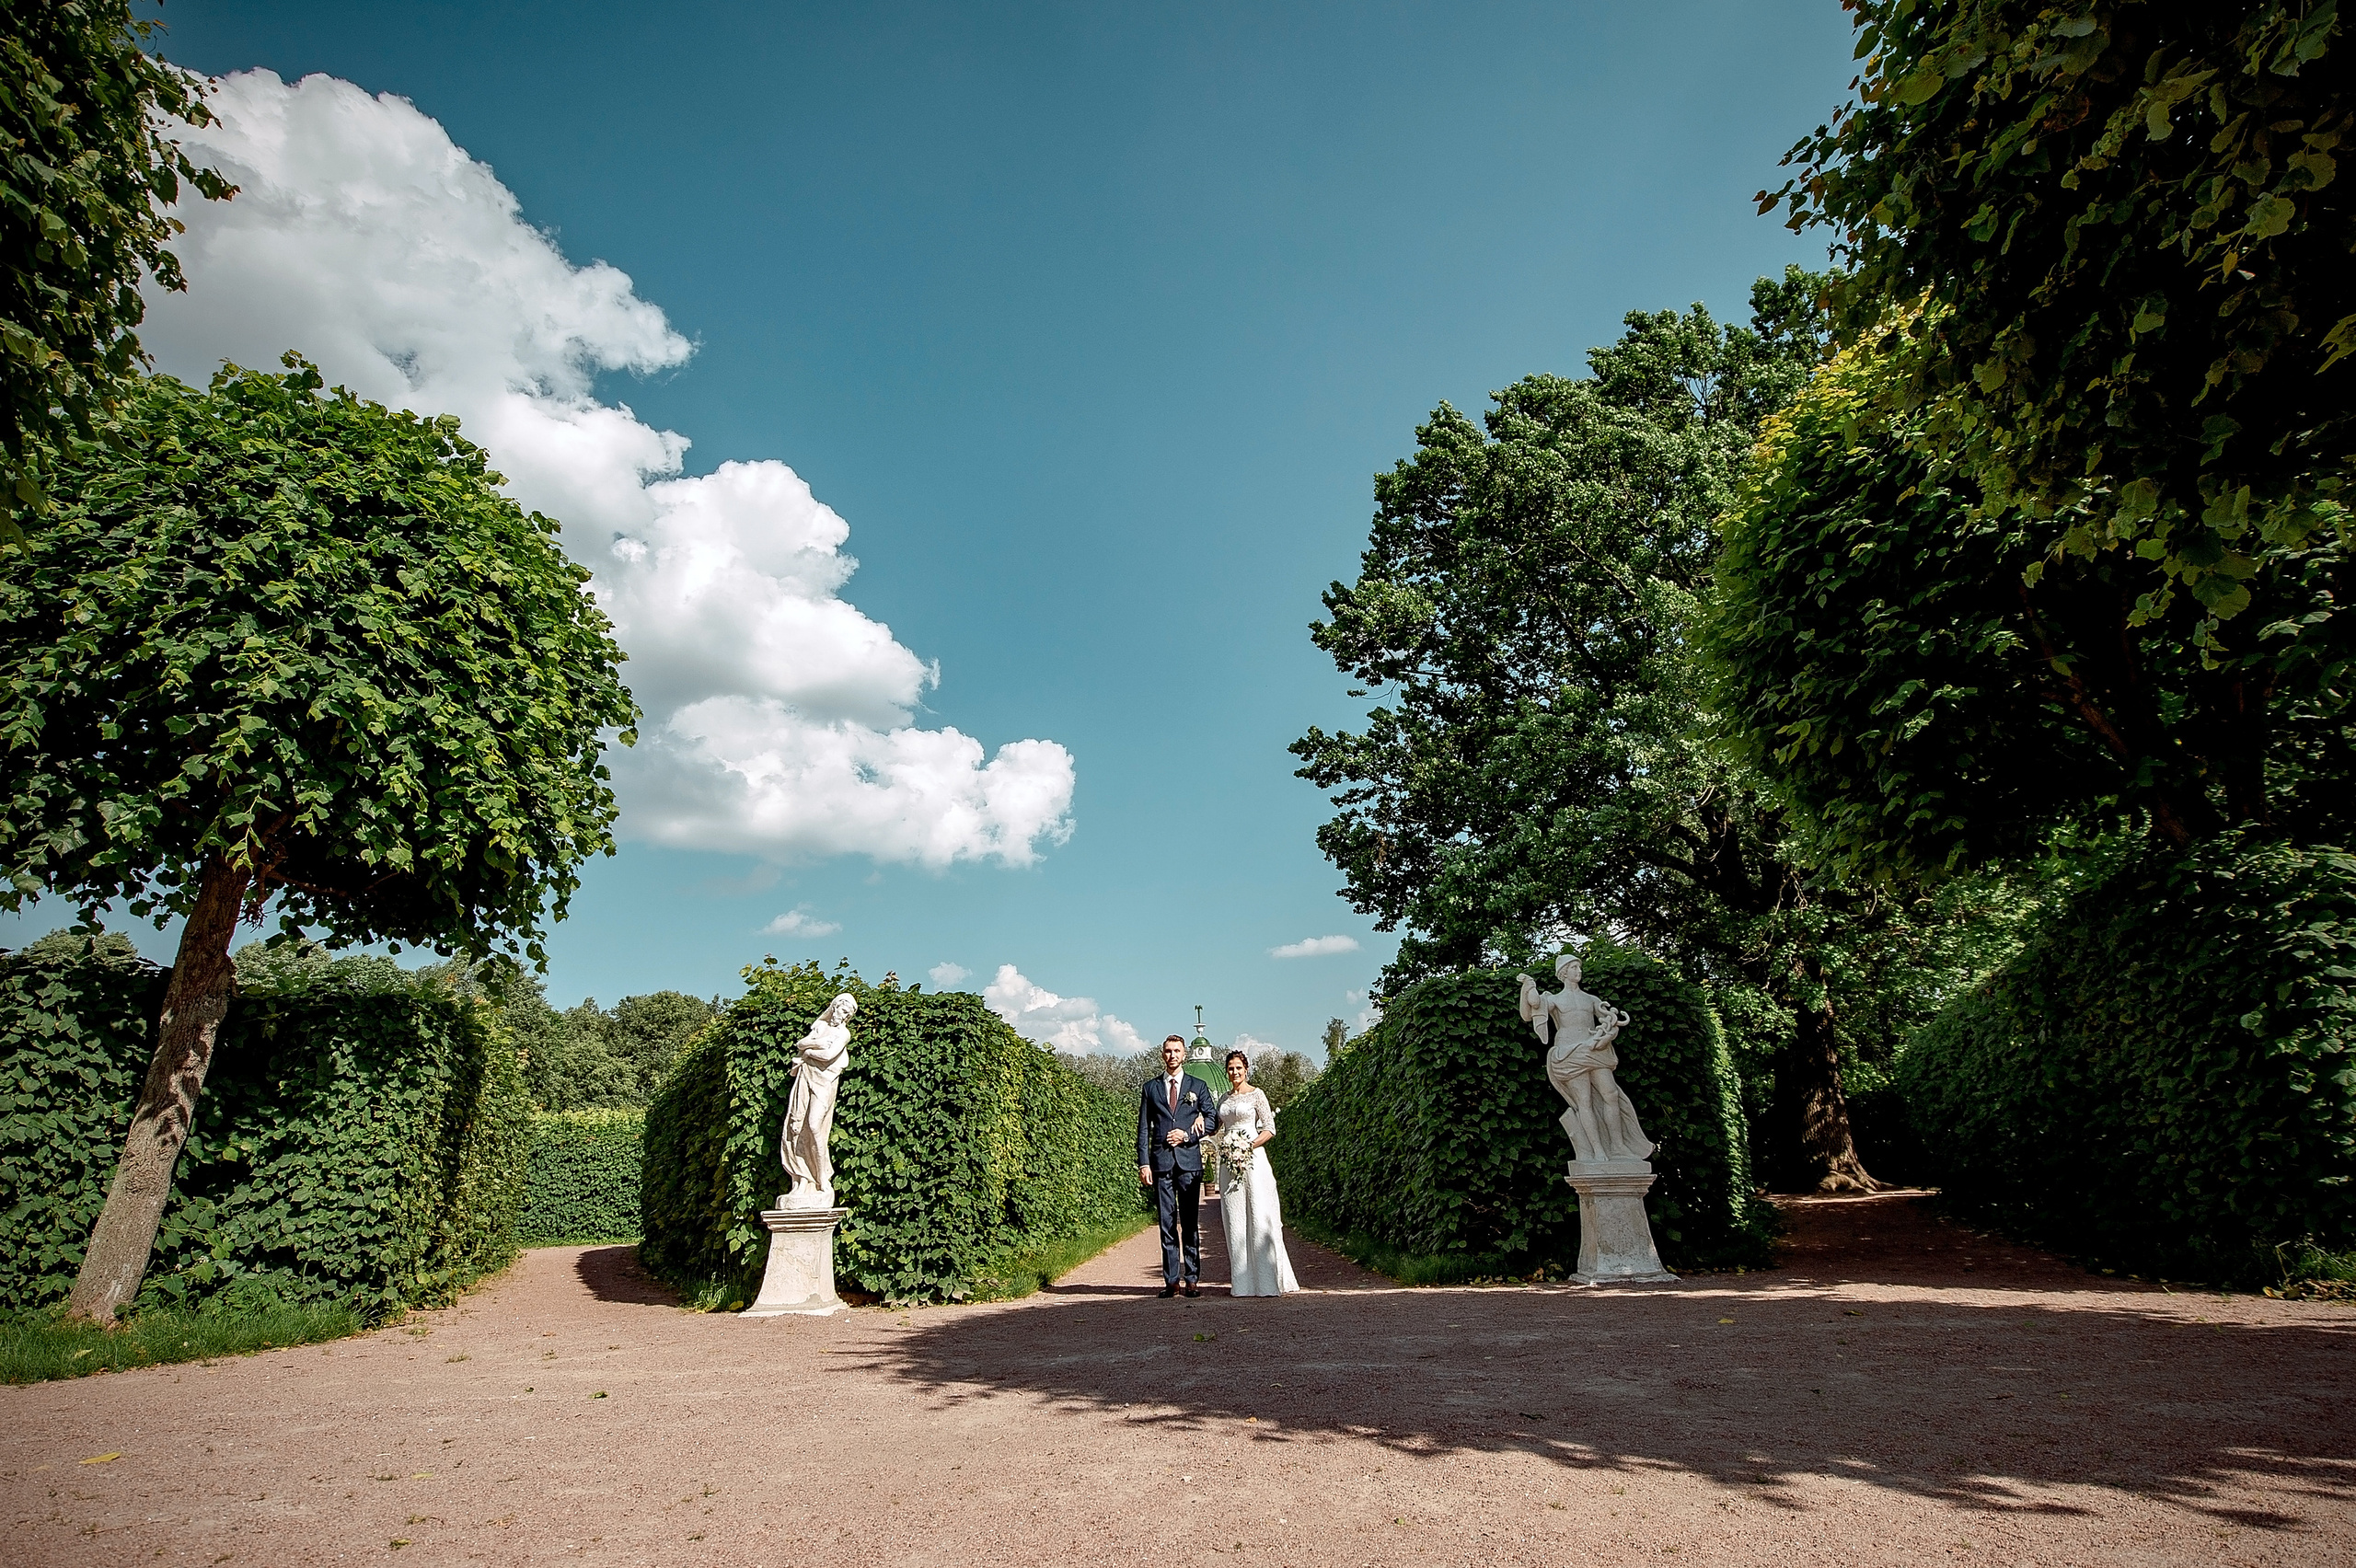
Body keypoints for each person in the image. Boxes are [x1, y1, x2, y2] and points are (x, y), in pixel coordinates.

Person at [1516, 954, 1653, 1163]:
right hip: (1569, 1053)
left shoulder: (1591, 999)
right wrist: (1528, 986)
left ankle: (1617, 1146)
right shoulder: (1554, 999)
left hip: (1595, 1051)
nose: (1578, 971)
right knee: (1584, 1101)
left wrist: (1607, 1037)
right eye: (1573, 968)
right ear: (1563, 973)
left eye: (1578, 968)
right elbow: (1531, 1009)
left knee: (1611, 1094)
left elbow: (1611, 1022)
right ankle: (1598, 1150)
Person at [1214, 1049, 1299, 1297]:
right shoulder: (1223, 1099)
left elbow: (1270, 1128)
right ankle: (1242, 1283)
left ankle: (1266, 1280)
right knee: (1234, 1216)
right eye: (1230, 1068)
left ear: (1246, 1069)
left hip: (1253, 1159)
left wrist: (1248, 1145)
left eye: (1238, 1068)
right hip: (1229, 1161)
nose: (1234, 1072)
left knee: (1258, 1212)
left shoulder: (1257, 1095)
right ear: (1227, 1071)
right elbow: (1215, 1125)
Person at [1137, 1032, 1214, 1297]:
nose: (1172, 1055)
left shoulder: (1198, 1086)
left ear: (1184, 1054)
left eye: (1177, 1051)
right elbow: (1143, 1130)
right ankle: (1171, 1281)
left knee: (1191, 1223)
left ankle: (1192, 1279)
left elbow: (1212, 1120)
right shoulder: (1151, 1088)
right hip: (1161, 1164)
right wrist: (1144, 1163)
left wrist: (1188, 1135)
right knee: (1166, 1222)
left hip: (1189, 1162)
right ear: (1163, 1054)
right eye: (1168, 1051)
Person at [780, 992, 857, 1207]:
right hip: (806, 1079)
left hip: (824, 1082)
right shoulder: (821, 1028)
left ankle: (823, 1177)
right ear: (835, 1006)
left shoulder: (844, 1034)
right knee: (796, 1126)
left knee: (815, 1125)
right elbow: (800, 1043)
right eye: (843, 1010)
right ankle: (803, 1179)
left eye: (848, 1014)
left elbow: (827, 1056)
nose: (844, 1016)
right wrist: (816, 1046)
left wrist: (811, 1049)